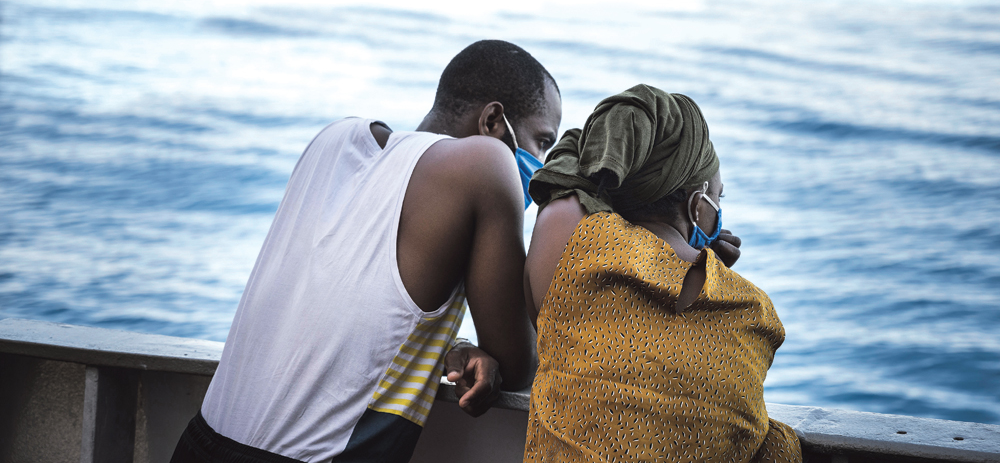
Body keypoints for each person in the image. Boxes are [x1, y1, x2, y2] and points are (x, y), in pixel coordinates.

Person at [169, 40, 562, 463]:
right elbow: (519, 364)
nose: (541, 162)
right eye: (542, 142)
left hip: (200, 441)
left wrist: (455, 342)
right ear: (492, 120)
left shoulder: (336, 140)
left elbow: (358, 305)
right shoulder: (485, 164)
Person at [522, 84, 801, 462]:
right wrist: (703, 262)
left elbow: (571, 160)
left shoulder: (570, 241)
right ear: (697, 203)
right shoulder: (754, 312)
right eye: (719, 198)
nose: (719, 209)